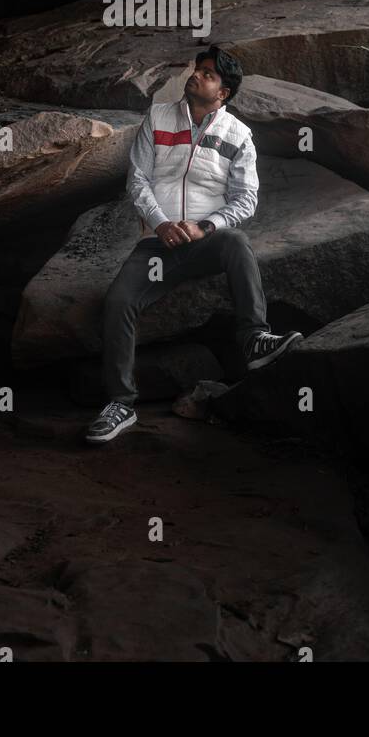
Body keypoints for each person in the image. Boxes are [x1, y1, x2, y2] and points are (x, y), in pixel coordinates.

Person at [85, 44, 302, 443]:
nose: (197, 76)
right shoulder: (158, 117)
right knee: (118, 302)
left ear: (223, 93)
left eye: (208, 75)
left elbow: (246, 198)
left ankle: (254, 339)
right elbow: (138, 180)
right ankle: (120, 403)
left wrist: (206, 225)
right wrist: (161, 223)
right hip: (156, 245)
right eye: (198, 70)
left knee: (236, 242)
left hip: (204, 242)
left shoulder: (239, 135)